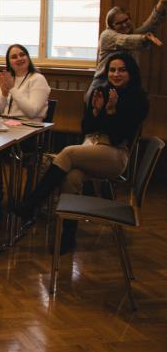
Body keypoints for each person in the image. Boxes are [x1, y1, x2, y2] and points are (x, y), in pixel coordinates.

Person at [15, 52, 149, 253]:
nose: (116, 74)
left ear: (130, 73)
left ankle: (32, 203)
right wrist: (96, 112)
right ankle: (67, 237)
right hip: (94, 149)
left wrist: (111, 111)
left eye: (122, 70)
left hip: (115, 155)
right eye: (112, 70)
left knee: (68, 153)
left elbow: (117, 136)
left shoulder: (138, 99)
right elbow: (86, 128)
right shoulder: (103, 91)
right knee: (71, 177)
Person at [87, 0, 167, 99]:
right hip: (101, 89)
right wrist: (144, 38)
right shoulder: (107, 36)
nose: (124, 24)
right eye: (119, 23)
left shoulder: (131, 34)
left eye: (126, 20)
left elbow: (150, 25)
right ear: (111, 26)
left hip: (123, 90)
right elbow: (125, 40)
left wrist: (161, 4)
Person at [0, 44, 50, 120]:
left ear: (28, 57)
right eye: (14, 57)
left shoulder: (38, 79)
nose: (19, 58)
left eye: (22, 55)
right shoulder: (6, 79)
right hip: (5, 125)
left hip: (28, 127)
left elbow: (32, 113)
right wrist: (4, 96)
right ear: (9, 63)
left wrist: (12, 88)